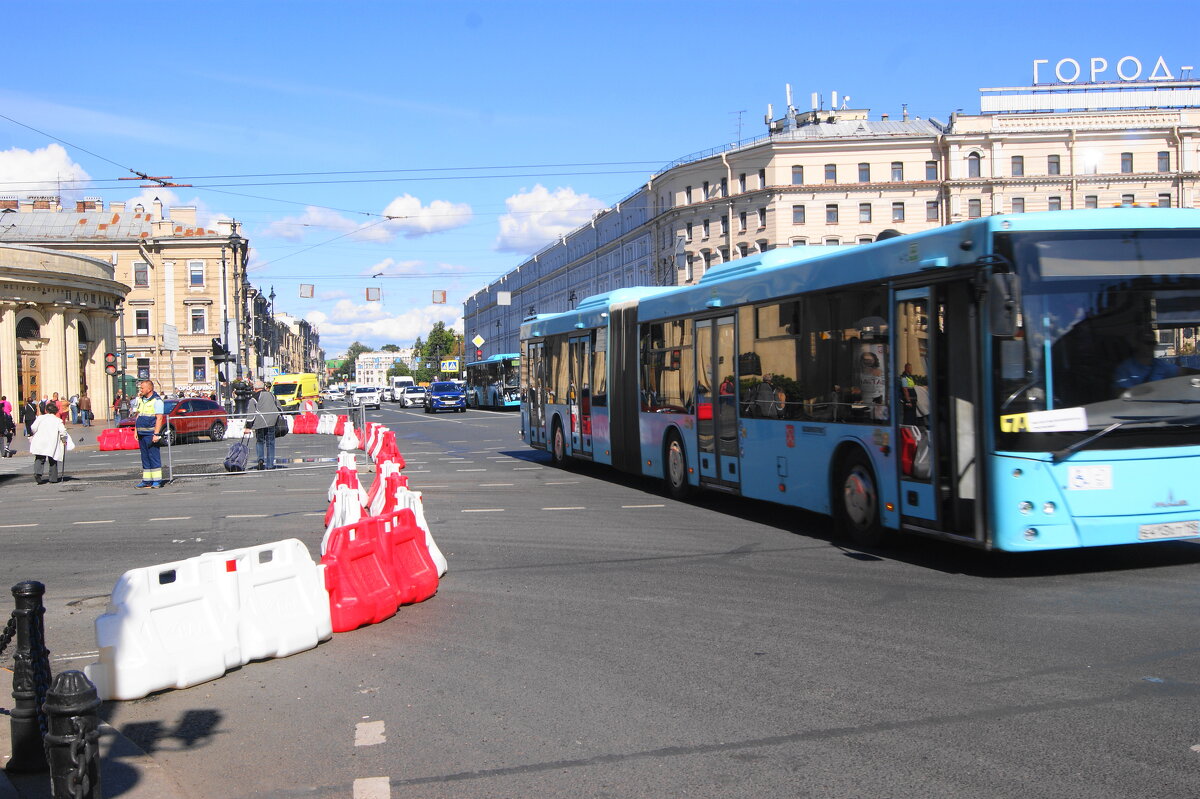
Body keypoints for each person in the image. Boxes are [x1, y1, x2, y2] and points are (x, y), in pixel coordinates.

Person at [1113, 335, 1182, 393]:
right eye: (1147, 343)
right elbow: (1122, 394)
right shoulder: (1125, 369)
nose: (1151, 346)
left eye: (1153, 343)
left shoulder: (1159, 365)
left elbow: (1182, 371)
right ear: (1137, 344)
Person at [132, 379, 166, 488]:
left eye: (142, 388)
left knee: (153, 456)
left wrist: (156, 434)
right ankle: (146, 480)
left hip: (151, 433)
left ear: (149, 389)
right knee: (145, 457)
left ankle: (157, 481)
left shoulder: (157, 401)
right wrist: (136, 431)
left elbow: (159, 418)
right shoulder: (141, 400)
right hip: (142, 433)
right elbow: (138, 415)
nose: (140, 390)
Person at [30, 403, 70, 484]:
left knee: (39, 457)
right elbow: (63, 431)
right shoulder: (57, 420)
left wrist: (35, 432)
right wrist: (64, 439)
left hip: (40, 440)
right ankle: (53, 478)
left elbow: (33, 427)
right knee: (53, 459)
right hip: (52, 441)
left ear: (46, 410)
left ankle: (38, 473)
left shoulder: (41, 418)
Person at [248, 380, 282, 470]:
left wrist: (248, 427)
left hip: (260, 422)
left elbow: (251, 413)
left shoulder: (254, 397)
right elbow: (279, 408)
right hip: (271, 422)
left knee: (260, 441)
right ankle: (270, 464)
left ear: (255, 388)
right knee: (270, 443)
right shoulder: (271, 395)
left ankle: (260, 460)